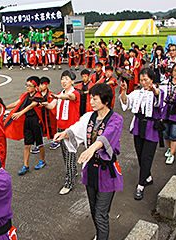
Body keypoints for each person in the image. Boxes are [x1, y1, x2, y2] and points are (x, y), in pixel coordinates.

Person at [54, 83, 123, 240]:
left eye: (95, 98)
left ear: (105, 100)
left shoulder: (116, 119)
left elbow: (108, 135)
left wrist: (92, 149)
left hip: (106, 171)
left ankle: (101, 237)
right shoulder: (88, 117)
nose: (91, 101)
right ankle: (99, 234)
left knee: (101, 213)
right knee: (93, 210)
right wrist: (64, 134)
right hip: (90, 169)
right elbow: (76, 129)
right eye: (91, 98)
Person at [119, 68, 164, 200]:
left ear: (152, 79)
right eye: (142, 79)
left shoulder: (158, 92)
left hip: (152, 127)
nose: (144, 82)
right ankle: (147, 176)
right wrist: (123, 91)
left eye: (146, 79)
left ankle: (141, 185)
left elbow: (159, 100)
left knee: (146, 157)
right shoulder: (137, 93)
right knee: (140, 155)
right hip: (139, 125)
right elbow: (126, 102)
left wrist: (154, 89)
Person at [41, 70, 80, 194]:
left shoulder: (75, 94)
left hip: (71, 130)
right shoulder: (59, 94)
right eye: (62, 78)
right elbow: (52, 106)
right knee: (65, 154)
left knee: (69, 154)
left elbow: (70, 97)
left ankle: (69, 182)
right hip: (60, 128)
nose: (64, 81)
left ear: (72, 81)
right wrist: (43, 103)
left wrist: (58, 97)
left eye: (67, 79)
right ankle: (73, 171)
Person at [5, 76, 47, 174]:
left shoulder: (38, 96)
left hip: (36, 121)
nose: (27, 87)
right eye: (26, 85)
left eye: (30, 86)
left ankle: (42, 160)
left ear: (36, 87)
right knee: (27, 144)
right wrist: (4, 107)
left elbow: (32, 105)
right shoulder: (25, 95)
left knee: (39, 143)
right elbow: (17, 103)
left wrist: (20, 113)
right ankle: (25, 165)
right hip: (27, 121)